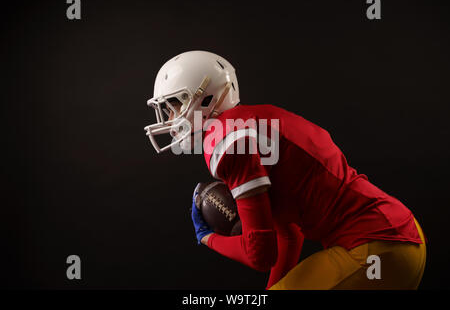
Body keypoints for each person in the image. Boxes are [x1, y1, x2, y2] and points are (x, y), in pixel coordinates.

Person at [144, 50, 426, 289]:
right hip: (399, 240)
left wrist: (208, 237)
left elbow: (260, 255)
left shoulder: (229, 140)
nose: (170, 119)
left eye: (175, 105)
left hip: (376, 246)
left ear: (206, 98)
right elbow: (289, 233)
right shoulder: (257, 120)